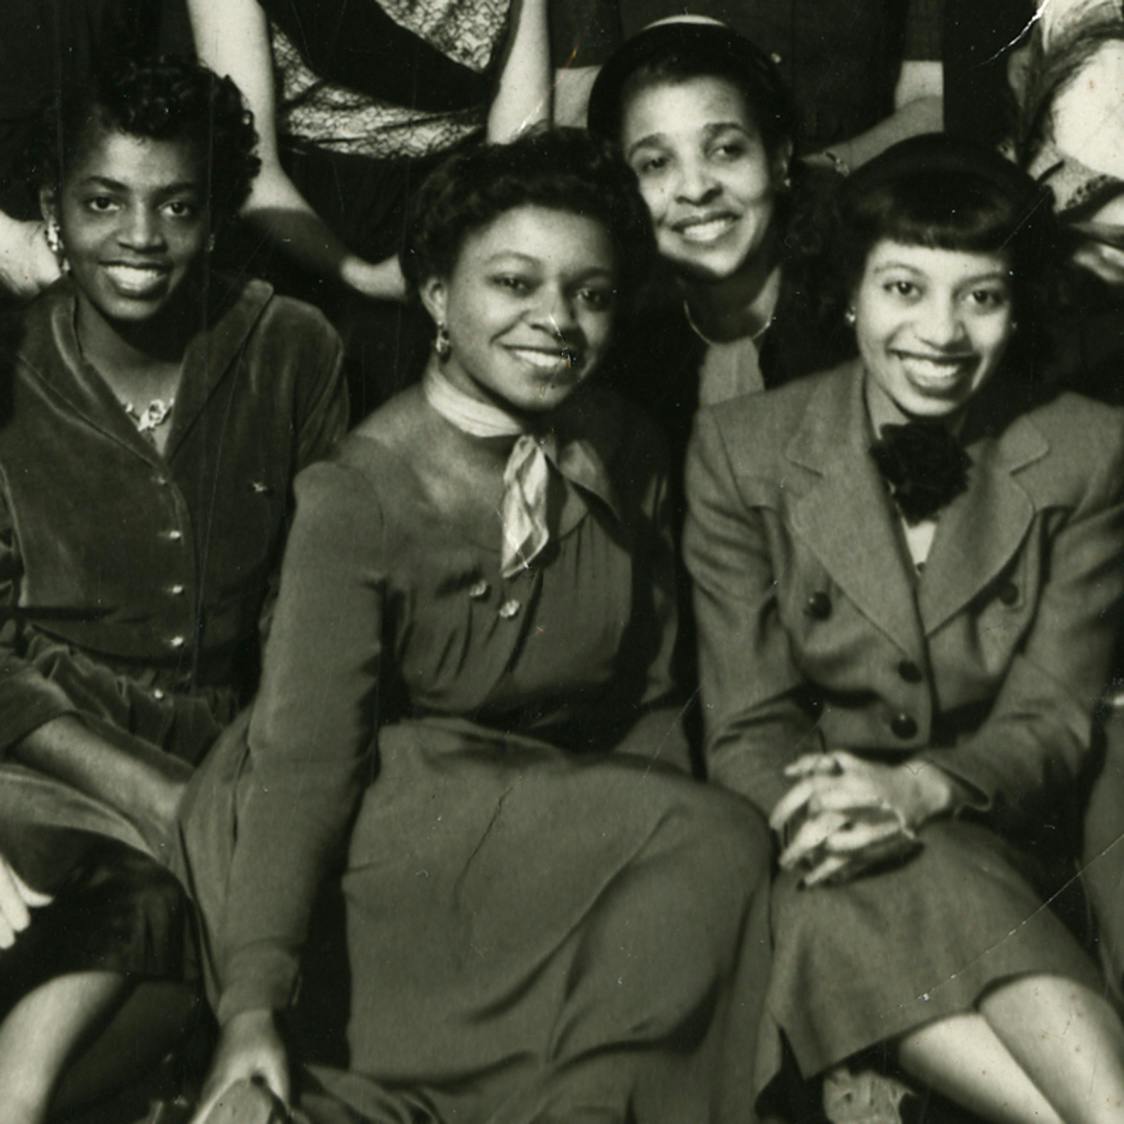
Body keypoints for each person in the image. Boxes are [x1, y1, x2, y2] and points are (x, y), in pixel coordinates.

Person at [179, 127, 771, 1124]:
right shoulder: (358, 493)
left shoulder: (622, 444)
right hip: (371, 833)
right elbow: (303, 761)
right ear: (436, 297)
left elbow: (655, 694)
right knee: (696, 839)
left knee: (710, 846)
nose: (556, 321)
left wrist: (654, 881)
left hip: (548, 818)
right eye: (513, 283)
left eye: (587, 292)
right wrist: (250, 1003)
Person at [685, 134, 1124, 1123]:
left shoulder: (1086, 450)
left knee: (896, 888)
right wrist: (832, 815)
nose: (940, 333)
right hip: (821, 834)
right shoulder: (739, 452)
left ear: (1018, 308)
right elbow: (746, 722)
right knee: (814, 907)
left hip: (994, 819)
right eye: (902, 289)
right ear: (848, 296)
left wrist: (920, 786)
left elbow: (1052, 715)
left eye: (979, 295)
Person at [0, 56, 347, 1121]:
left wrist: (251, 780)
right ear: (52, 209)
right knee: (150, 896)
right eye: (103, 202)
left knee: (244, 937)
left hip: (231, 744)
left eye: (177, 205)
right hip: (42, 752)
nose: (140, 238)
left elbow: (313, 610)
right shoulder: (6, 360)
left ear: (216, 212)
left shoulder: (291, 346)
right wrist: (153, 795)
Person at [186, 0, 552, 414]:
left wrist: (452, 257)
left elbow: (521, 163)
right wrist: (362, 276)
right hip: (296, 228)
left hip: (452, 227)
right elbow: (249, 169)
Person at [587, 19, 854, 477]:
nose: (696, 188)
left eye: (726, 150)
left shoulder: (859, 309)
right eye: (655, 163)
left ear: (778, 159)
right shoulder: (619, 347)